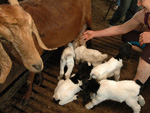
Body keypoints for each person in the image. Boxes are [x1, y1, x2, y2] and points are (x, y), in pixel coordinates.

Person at [83, 0, 150, 85]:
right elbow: (120, 29)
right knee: (127, 36)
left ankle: (137, 86)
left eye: (141, 0)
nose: (138, 4)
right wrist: (94, 34)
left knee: (148, 52)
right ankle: (144, 50)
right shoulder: (143, 14)